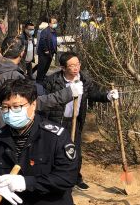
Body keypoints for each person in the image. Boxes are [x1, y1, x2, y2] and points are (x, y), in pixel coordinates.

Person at [41, 51, 118, 190]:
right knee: (55, 150)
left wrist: (107, 96)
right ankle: (54, 177)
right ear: (63, 68)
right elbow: (46, 101)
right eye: (72, 65)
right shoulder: (52, 81)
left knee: (75, 150)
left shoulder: (84, 80)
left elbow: (93, 93)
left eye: (78, 64)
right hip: (57, 120)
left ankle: (75, 178)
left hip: (75, 120)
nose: (76, 68)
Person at [36, 17, 58, 83]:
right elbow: (42, 40)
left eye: (56, 22)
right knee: (42, 66)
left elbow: (54, 40)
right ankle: (39, 80)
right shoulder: (45, 31)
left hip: (51, 52)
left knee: (47, 66)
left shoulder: (54, 31)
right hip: (44, 53)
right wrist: (45, 50)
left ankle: (43, 77)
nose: (55, 24)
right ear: (49, 24)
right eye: (54, 23)